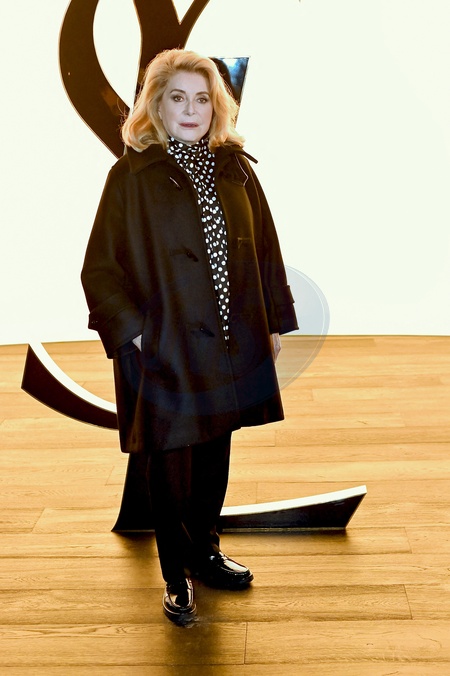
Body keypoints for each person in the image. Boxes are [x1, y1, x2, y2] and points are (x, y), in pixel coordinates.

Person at [81, 48, 298, 624]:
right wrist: (136, 335)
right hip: (164, 346)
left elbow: (266, 248)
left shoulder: (236, 168)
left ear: (216, 107)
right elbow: (99, 268)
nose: (191, 109)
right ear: (156, 105)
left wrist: (272, 320)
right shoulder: (130, 176)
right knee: (171, 459)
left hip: (227, 340)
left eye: (202, 99)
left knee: (214, 449)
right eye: (177, 97)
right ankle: (176, 575)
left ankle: (205, 551)